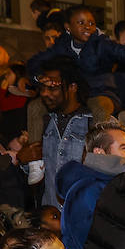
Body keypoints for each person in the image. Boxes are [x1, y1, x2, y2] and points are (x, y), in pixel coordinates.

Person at [57, 120, 125, 249]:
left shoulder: (114, 184)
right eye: (124, 148)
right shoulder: (89, 190)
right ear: (99, 152)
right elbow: (98, 241)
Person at [28, 60, 93, 209]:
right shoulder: (43, 122)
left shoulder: (92, 122)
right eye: (43, 88)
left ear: (72, 87)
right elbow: (38, 173)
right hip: (50, 216)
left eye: (52, 88)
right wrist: (25, 160)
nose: (44, 93)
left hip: (81, 217)